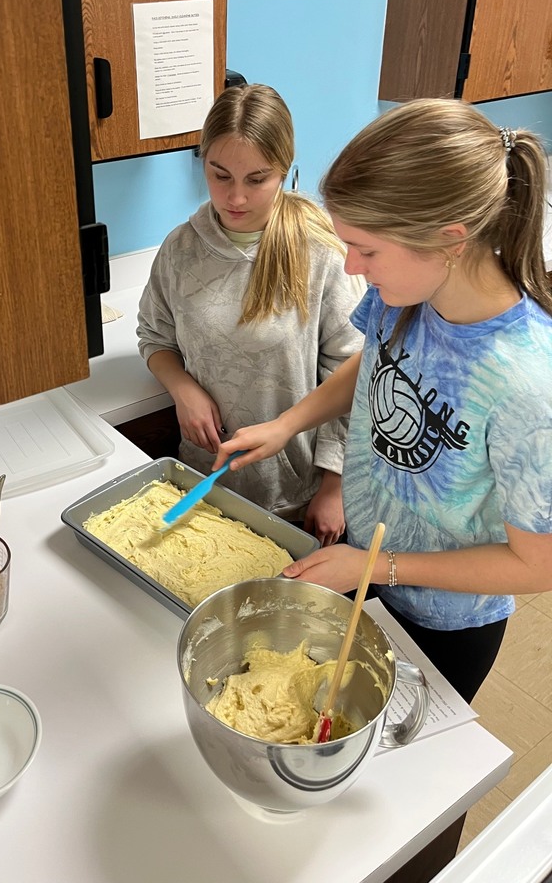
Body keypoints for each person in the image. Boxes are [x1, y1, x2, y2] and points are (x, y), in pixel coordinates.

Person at [213, 97, 552, 702]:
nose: (350, 265)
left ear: (451, 240)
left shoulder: (527, 384)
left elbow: (537, 564)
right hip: (367, 562)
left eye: (366, 250)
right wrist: (288, 423)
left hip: (441, 615)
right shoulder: (408, 295)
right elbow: (371, 361)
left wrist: (382, 567)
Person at [137, 83, 364, 543]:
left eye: (256, 179)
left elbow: (354, 371)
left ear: (284, 171)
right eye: (220, 175)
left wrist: (334, 484)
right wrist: (183, 390)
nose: (235, 198)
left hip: (296, 489)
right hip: (206, 480)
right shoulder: (181, 249)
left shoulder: (320, 251)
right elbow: (154, 337)